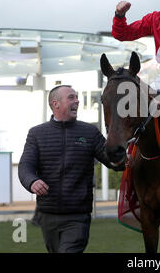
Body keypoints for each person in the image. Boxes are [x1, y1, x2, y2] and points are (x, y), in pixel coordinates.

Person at [18, 85, 124, 253]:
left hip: (78, 215)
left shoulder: (90, 132)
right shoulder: (36, 133)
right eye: (71, 97)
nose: (77, 101)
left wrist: (124, 158)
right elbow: (25, 166)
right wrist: (32, 181)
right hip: (47, 214)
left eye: (76, 97)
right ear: (56, 104)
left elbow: (113, 161)